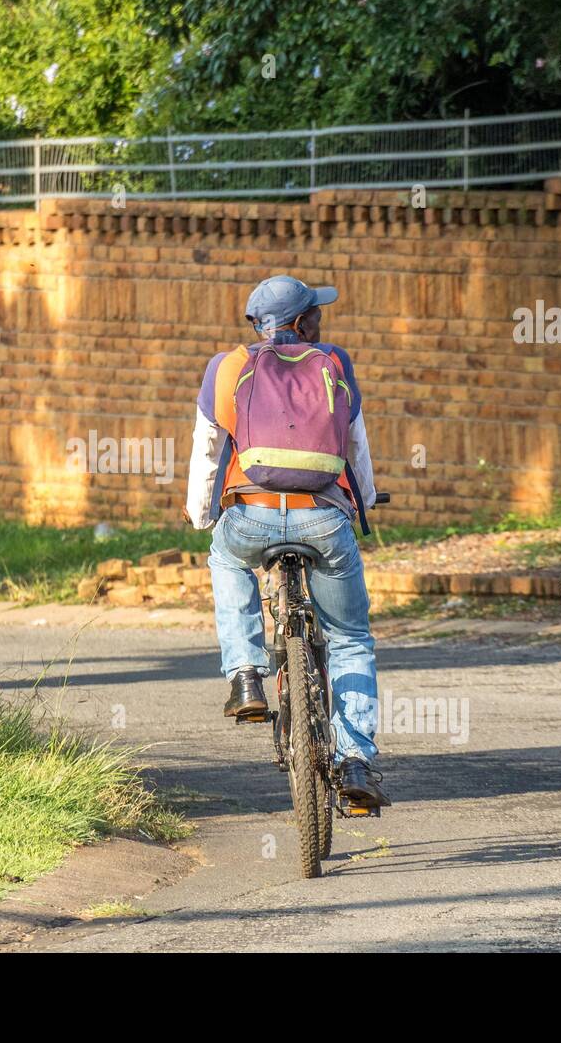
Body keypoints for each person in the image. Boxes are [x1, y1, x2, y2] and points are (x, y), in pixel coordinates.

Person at [183, 274, 389, 808]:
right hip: (323, 520)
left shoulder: (227, 368)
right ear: (302, 323)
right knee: (348, 638)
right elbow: (355, 445)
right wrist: (366, 499)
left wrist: (202, 514)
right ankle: (355, 763)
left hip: (250, 516)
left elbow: (207, 450)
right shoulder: (335, 363)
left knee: (225, 560)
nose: (322, 321)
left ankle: (246, 675)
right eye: (315, 314)